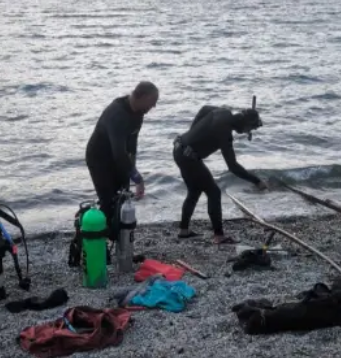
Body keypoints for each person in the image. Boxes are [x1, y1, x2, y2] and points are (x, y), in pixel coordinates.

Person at [173, 105, 268, 244]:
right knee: (214, 192)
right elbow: (233, 166)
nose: (247, 132)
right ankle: (219, 236)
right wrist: (256, 181)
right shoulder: (225, 133)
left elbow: (204, 108)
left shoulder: (223, 111)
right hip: (189, 158)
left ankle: (184, 230)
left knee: (194, 190)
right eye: (249, 128)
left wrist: (192, 132)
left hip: (179, 149)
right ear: (245, 123)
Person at [85, 81, 159, 243]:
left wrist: (131, 171)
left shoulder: (139, 112)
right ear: (143, 96)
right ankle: (95, 241)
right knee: (109, 201)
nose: (154, 106)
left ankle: (119, 244)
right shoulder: (117, 114)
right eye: (153, 101)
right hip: (99, 159)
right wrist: (137, 178)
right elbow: (119, 153)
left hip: (118, 158)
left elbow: (131, 147)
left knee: (122, 200)